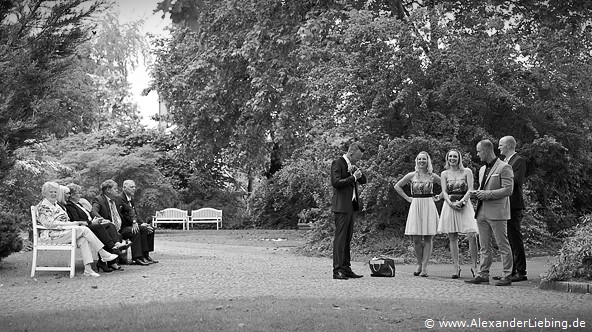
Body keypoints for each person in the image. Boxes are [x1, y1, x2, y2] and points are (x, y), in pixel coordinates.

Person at [36, 181, 118, 277]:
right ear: (44, 193)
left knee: (83, 239)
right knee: (84, 229)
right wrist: (74, 224)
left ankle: (88, 269)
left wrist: (72, 224)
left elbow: (65, 220)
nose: (54, 194)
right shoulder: (43, 206)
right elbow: (50, 224)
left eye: (55, 192)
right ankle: (103, 254)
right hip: (52, 235)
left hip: (63, 232)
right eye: (51, 192)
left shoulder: (56, 205)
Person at [465, 139, 514, 286]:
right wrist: (477, 193)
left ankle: (507, 275)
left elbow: (508, 190)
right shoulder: (481, 169)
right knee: (484, 246)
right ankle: (483, 273)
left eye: (479, 151)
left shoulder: (504, 167)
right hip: (482, 212)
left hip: (498, 213)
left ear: (486, 151)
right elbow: (484, 188)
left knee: (502, 245)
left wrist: (487, 194)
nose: (478, 154)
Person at [394, 151, 441, 277]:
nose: (421, 161)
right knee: (416, 238)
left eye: (424, 159)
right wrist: (408, 198)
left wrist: (440, 196)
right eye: (419, 159)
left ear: (427, 161)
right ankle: (419, 263)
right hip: (416, 205)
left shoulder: (432, 176)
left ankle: (425, 266)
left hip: (428, 205)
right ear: (417, 161)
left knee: (427, 237)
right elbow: (397, 186)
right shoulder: (411, 175)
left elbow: (446, 186)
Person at [65, 183, 128, 272]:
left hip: (91, 224)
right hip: (83, 227)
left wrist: (100, 220)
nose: (80, 195)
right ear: (72, 195)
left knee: (109, 225)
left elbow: (89, 214)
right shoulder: (70, 205)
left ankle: (115, 247)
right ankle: (113, 250)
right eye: (78, 193)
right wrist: (92, 222)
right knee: (102, 229)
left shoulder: (79, 204)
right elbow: (76, 220)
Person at [438, 149, 479, 279]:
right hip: (450, 204)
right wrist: (450, 203)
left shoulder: (467, 172)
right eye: (450, 156)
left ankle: (474, 266)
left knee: (472, 234)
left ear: (459, 158)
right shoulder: (444, 173)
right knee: (452, 235)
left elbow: (471, 188)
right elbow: (444, 191)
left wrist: (462, 201)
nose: (452, 158)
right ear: (447, 158)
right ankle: (456, 267)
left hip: (464, 204)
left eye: (455, 156)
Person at [331, 142, 367, 280]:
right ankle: (337, 270)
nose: (359, 160)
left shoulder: (353, 166)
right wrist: (352, 177)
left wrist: (356, 171)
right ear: (351, 154)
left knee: (347, 238)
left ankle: (346, 268)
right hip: (341, 207)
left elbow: (364, 180)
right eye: (357, 158)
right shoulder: (337, 163)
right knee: (340, 239)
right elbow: (336, 183)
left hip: (351, 206)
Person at [91, 179, 149, 266]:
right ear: (108, 190)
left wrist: (134, 221)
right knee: (116, 234)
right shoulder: (99, 200)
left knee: (137, 229)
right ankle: (116, 260)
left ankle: (137, 257)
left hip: (121, 228)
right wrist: (102, 219)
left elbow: (130, 209)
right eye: (115, 189)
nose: (117, 190)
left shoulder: (117, 199)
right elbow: (93, 212)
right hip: (109, 229)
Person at [497, 136, 528, 281]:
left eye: (501, 145)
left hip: (513, 204)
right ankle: (510, 270)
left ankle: (521, 271)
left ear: (509, 146)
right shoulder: (504, 162)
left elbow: (516, 182)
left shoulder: (518, 161)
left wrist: (501, 178)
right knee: (507, 238)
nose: (499, 148)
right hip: (503, 203)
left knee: (515, 237)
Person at [120, 179, 158, 264]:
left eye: (134, 187)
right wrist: (135, 223)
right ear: (124, 188)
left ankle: (145, 254)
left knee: (149, 228)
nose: (134, 189)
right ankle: (137, 257)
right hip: (124, 226)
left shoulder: (131, 199)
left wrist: (143, 223)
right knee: (140, 229)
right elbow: (124, 216)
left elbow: (135, 214)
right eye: (131, 187)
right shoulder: (120, 199)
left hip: (132, 223)